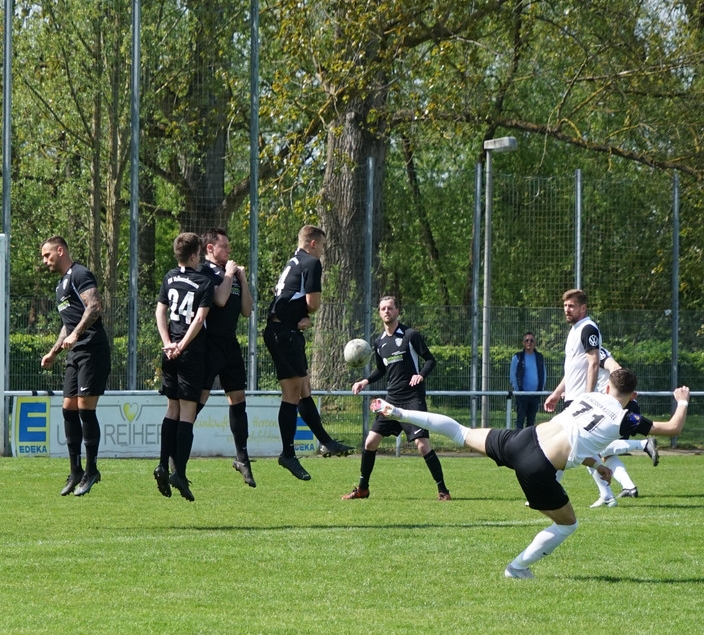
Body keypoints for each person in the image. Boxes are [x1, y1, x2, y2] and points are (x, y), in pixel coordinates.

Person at [369, 369, 690, 579]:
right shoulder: (625, 418)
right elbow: (673, 428)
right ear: (633, 396)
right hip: (538, 467)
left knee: (460, 432)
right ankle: (517, 568)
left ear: (607, 386)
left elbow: (577, 440)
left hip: (522, 438)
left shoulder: (588, 396)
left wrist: (597, 465)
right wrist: (682, 401)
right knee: (568, 524)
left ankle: (399, 412)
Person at [263, 224, 353, 482]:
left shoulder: (293, 262)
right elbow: (313, 303)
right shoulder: (311, 262)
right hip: (284, 334)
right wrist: (307, 314)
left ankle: (326, 441)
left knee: (304, 389)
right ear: (313, 243)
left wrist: (299, 316)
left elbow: (288, 298)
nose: (323, 251)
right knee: (292, 394)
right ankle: (288, 454)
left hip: (283, 331)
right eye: (322, 246)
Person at [345, 296, 452, 501]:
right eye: (383, 308)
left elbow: (430, 360)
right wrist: (365, 381)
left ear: (397, 311)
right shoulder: (379, 342)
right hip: (391, 400)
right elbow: (381, 369)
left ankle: (443, 491)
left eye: (390, 308)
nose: (386, 311)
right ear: (379, 313)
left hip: (412, 398)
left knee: (422, 445)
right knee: (370, 442)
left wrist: (421, 375)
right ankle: (362, 489)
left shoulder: (410, 335)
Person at [41, 236, 111, 497]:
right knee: (68, 408)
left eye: (47, 255)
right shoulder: (60, 286)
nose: (45, 261)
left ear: (60, 251)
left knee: (84, 408)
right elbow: (67, 325)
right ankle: (76, 471)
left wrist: (77, 334)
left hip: (92, 348)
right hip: (75, 352)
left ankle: (92, 470)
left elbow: (94, 307)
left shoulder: (80, 274)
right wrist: (54, 352)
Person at [154, 232, 214, 502]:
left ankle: (162, 465)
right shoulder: (204, 281)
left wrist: (168, 343)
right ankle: (179, 472)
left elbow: (160, 311)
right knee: (187, 414)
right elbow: (199, 320)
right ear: (193, 256)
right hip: (190, 353)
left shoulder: (169, 277)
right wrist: (182, 345)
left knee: (172, 410)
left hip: (169, 352)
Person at [197, 228, 256, 487]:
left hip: (230, 344)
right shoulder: (204, 272)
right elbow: (219, 301)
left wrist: (242, 279)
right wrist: (230, 274)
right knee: (199, 399)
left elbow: (247, 310)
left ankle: (242, 457)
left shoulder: (231, 274)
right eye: (225, 246)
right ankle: (176, 453)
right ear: (210, 248)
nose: (229, 250)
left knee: (238, 398)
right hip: (209, 344)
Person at [585, 346, 659, 507]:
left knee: (594, 449)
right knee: (605, 454)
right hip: (613, 405)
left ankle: (644, 444)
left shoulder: (597, 352)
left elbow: (616, 368)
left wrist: (613, 394)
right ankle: (629, 487)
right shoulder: (582, 355)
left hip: (617, 406)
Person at [544, 289, 600, 412]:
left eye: (571, 306)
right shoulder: (574, 330)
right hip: (571, 398)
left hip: (581, 400)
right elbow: (573, 369)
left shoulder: (588, 329)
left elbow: (594, 363)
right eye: (565, 305)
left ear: (583, 308)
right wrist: (557, 393)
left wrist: (587, 398)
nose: (567, 310)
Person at [510, 332, 546, 428]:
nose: (529, 342)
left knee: (531, 422)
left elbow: (543, 373)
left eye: (531, 340)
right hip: (522, 395)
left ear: (535, 343)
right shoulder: (517, 357)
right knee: (520, 420)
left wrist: (541, 390)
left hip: (535, 395)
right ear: (523, 343)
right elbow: (513, 376)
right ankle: (517, 437)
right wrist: (518, 391)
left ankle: (528, 438)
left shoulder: (539, 357)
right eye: (527, 340)